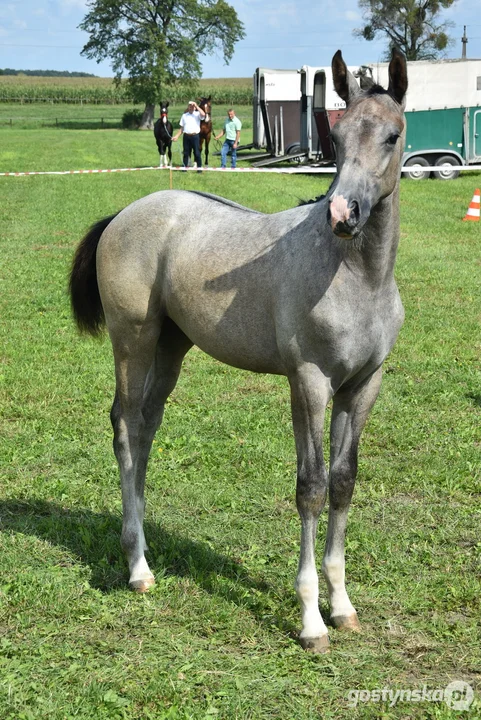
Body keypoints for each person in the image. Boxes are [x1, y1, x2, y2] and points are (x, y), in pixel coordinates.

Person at [172, 101, 205, 172]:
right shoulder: (184, 115)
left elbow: (203, 114)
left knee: (197, 152)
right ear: (188, 106)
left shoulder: (197, 114)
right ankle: (184, 168)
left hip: (195, 136)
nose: (191, 107)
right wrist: (176, 136)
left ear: (194, 107)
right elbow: (182, 128)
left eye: (193, 106)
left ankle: (199, 169)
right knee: (186, 153)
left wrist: (197, 106)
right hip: (186, 136)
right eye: (190, 106)